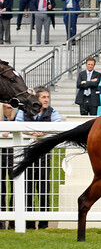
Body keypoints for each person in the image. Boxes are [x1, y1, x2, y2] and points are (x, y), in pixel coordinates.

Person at [15, 86, 61, 229]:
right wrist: (32, 133)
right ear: (37, 99)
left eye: (48, 97)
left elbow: (58, 126)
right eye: (44, 97)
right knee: (27, 188)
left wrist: (43, 132)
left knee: (43, 188)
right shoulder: (23, 111)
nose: (47, 100)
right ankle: (28, 224)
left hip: (43, 155)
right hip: (27, 156)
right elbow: (17, 126)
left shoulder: (52, 112)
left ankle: (43, 223)